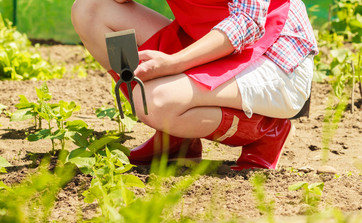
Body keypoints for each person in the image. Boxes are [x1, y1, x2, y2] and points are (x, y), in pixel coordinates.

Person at [71, 0, 318, 170]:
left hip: (274, 58)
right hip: (206, 42)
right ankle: (178, 139)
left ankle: (266, 130)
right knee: (90, 9)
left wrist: (174, 64)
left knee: (155, 102)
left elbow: (249, 21)